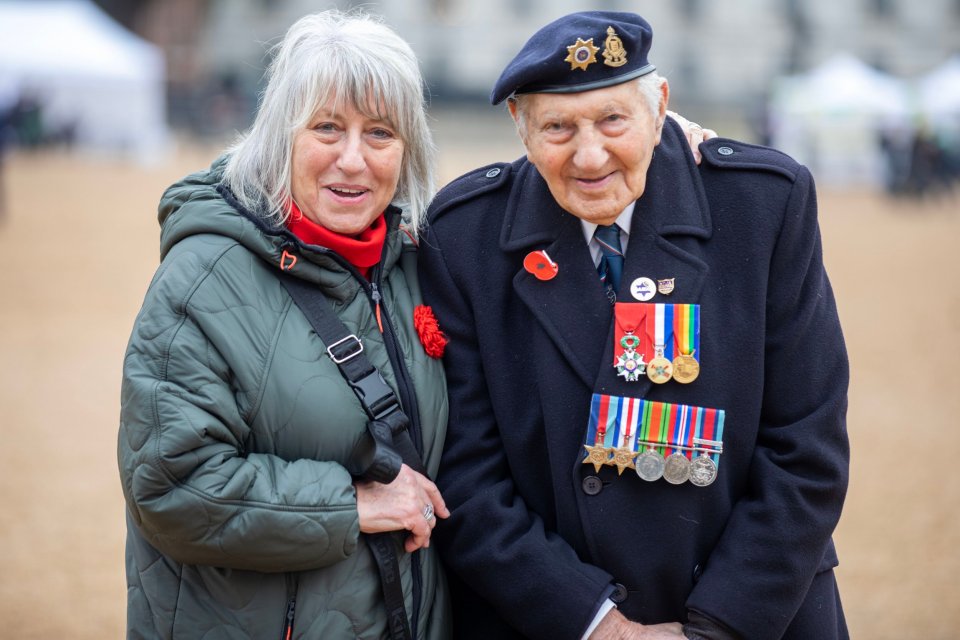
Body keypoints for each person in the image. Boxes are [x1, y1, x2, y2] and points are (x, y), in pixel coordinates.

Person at [419, 10, 849, 640]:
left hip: (757, 610)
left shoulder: (762, 204)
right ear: (520, 126)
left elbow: (806, 446)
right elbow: (466, 475)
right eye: (557, 127)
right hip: (553, 618)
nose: (589, 156)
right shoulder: (465, 236)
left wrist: (718, 624)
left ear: (660, 109)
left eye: (613, 119)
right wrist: (601, 626)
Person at [118, 11, 452, 639]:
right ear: (279, 134)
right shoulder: (204, 276)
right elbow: (171, 487)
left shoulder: (413, 265)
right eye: (327, 127)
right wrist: (352, 504)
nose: (353, 160)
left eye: (380, 132)